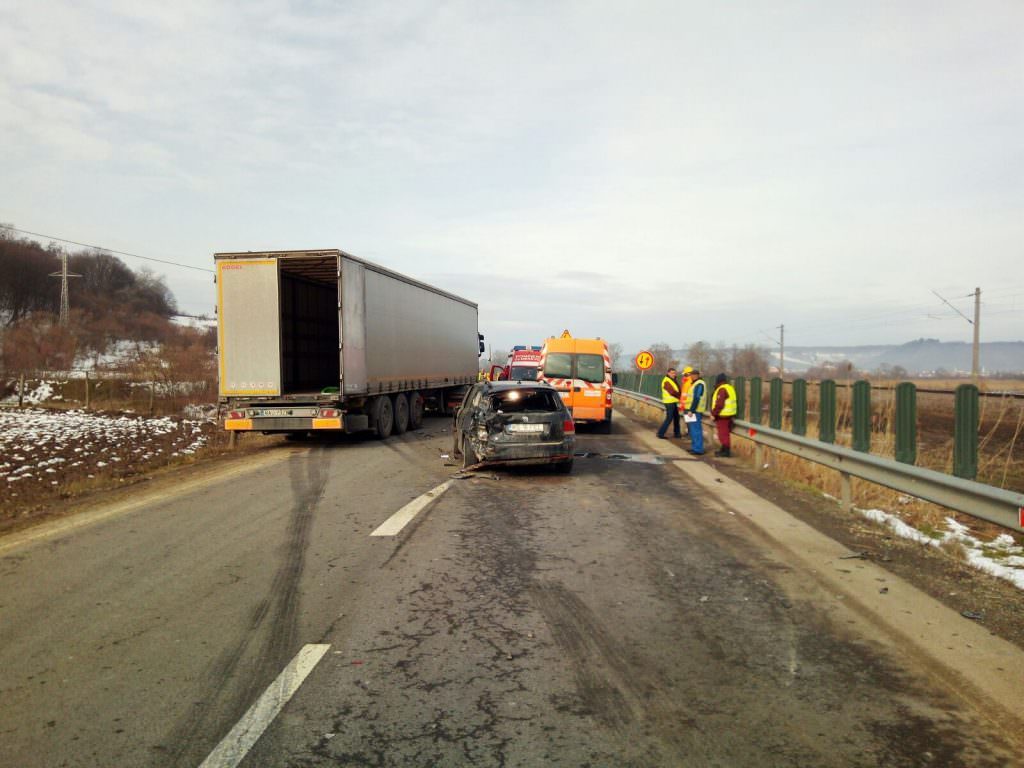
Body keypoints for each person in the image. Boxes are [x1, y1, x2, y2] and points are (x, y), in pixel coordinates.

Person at [711, 373, 738, 457]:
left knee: (723, 434)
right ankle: (723, 449)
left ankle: (726, 452)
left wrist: (713, 414)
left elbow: (719, 404)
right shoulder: (730, 388)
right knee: (725, 433)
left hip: (723, 415)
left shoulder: (722, 389)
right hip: (730, 414)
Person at [685, 368, 707, 455]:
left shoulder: (699, 384)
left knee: (696, 430)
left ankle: (698, 449)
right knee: (693, 430)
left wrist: (691, 410)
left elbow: (696, 398)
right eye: (691, 375)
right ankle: (695, 447)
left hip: (695, 411)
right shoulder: (695, 384)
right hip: (692, 410)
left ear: (696, 375)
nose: (691, 376)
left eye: (692, 375)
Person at [656, 367, 681, 439]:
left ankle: (677, 434)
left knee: (676, 417)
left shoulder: (673, 380)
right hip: (669, 402)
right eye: (672, 373)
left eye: (675, 373)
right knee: (669, 418)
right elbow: (672, 391)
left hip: (673, 401)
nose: (674, 374)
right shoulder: (666, 380)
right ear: (668, 373)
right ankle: (660, 433)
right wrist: (680, 397)